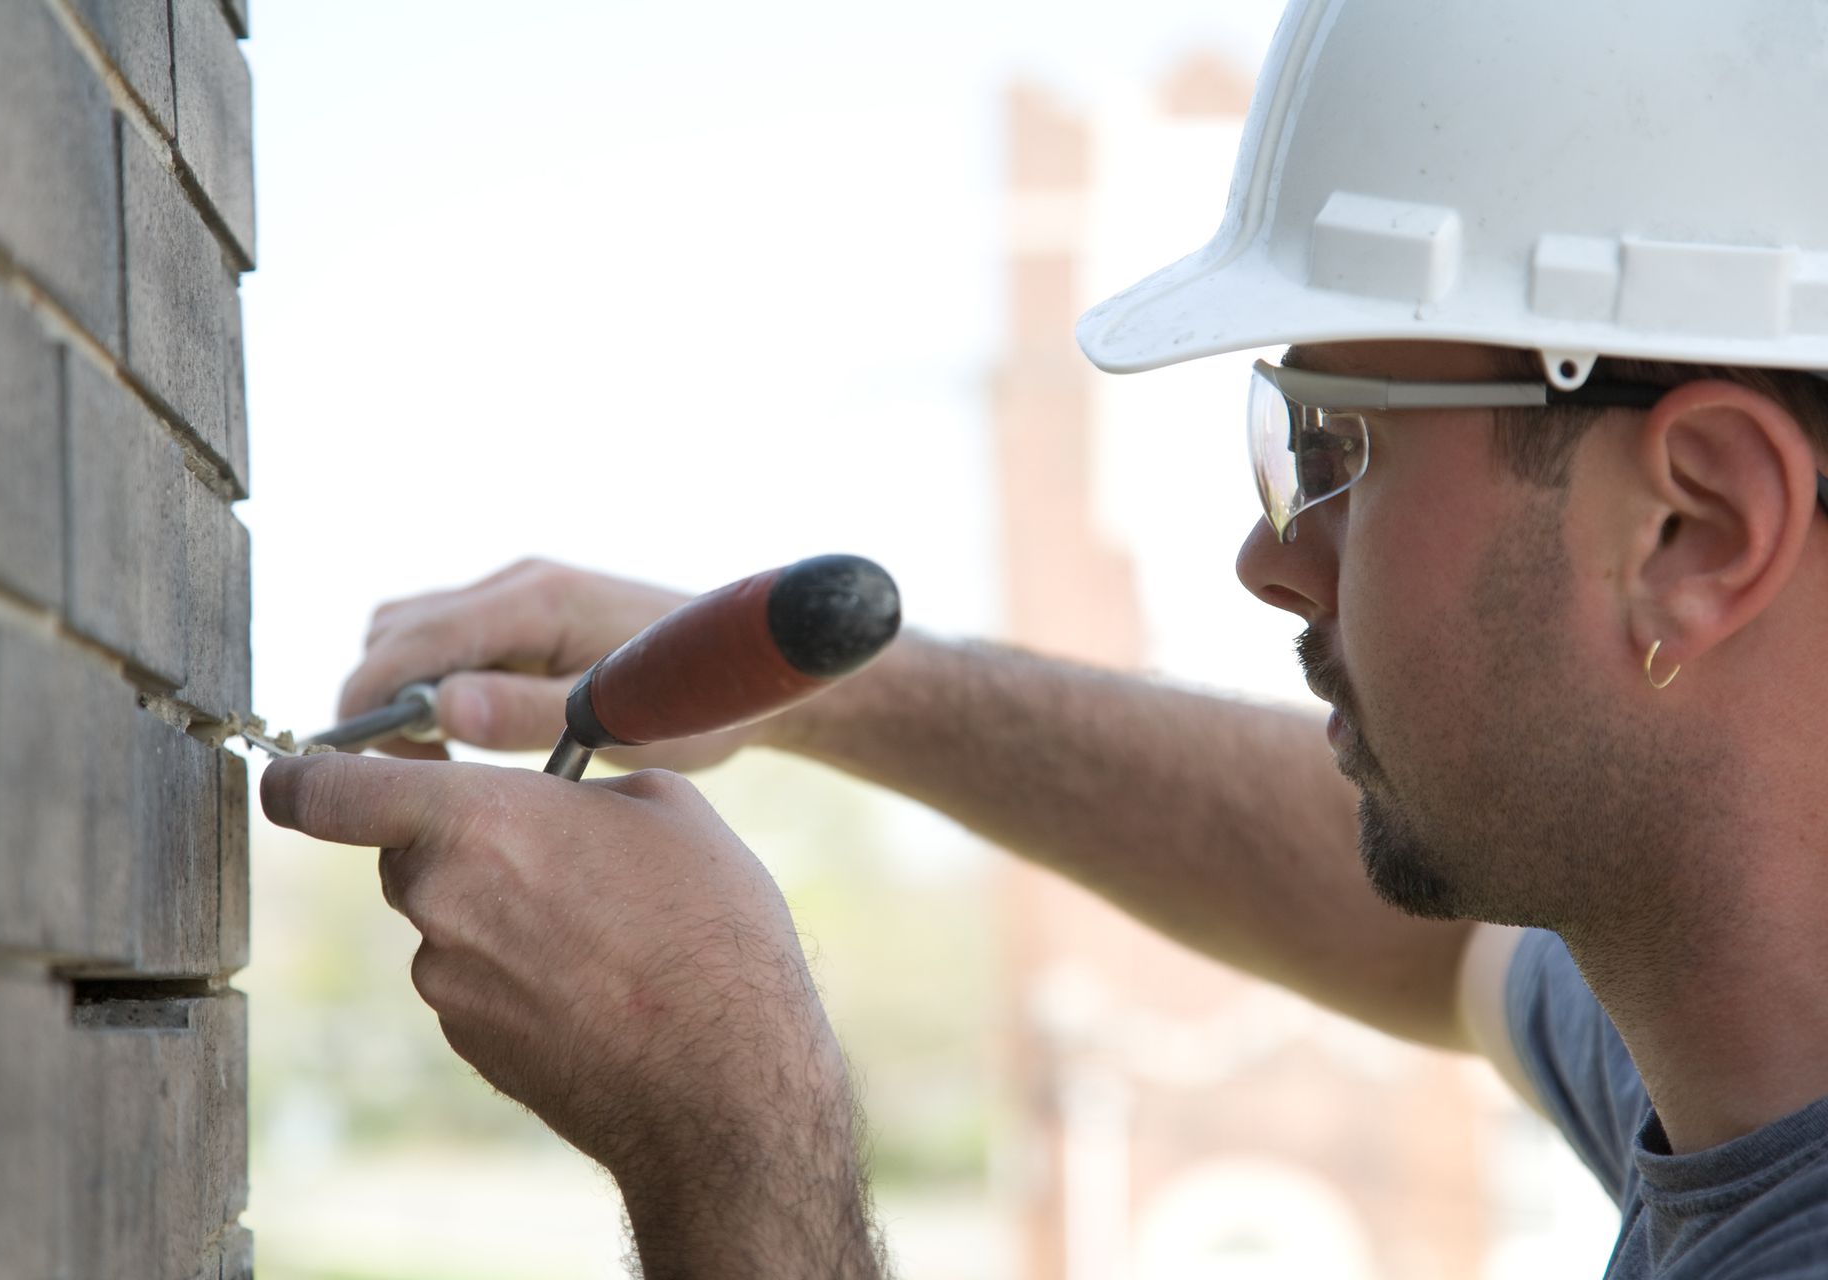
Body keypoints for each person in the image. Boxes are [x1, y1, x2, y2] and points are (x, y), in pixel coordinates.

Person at [259, 0, 1828, 1274]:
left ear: (1697, 526)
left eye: (1337, 446)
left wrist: (732, 1138)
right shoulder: (1730, 1011)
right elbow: (1429, 928)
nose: (1270, 555)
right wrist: (831, 687)